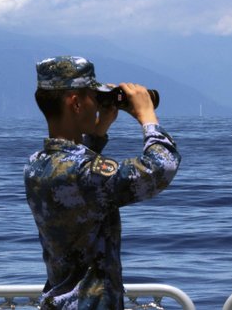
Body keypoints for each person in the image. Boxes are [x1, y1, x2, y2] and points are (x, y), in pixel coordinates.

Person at [24, 56, 181, 309]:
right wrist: (147, 117)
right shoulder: (84, 174)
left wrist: (98, 131)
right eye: (93, 97)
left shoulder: (36, 164)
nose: (97, 105)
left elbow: (77, 179)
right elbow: (161, 167)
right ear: (75, 103)